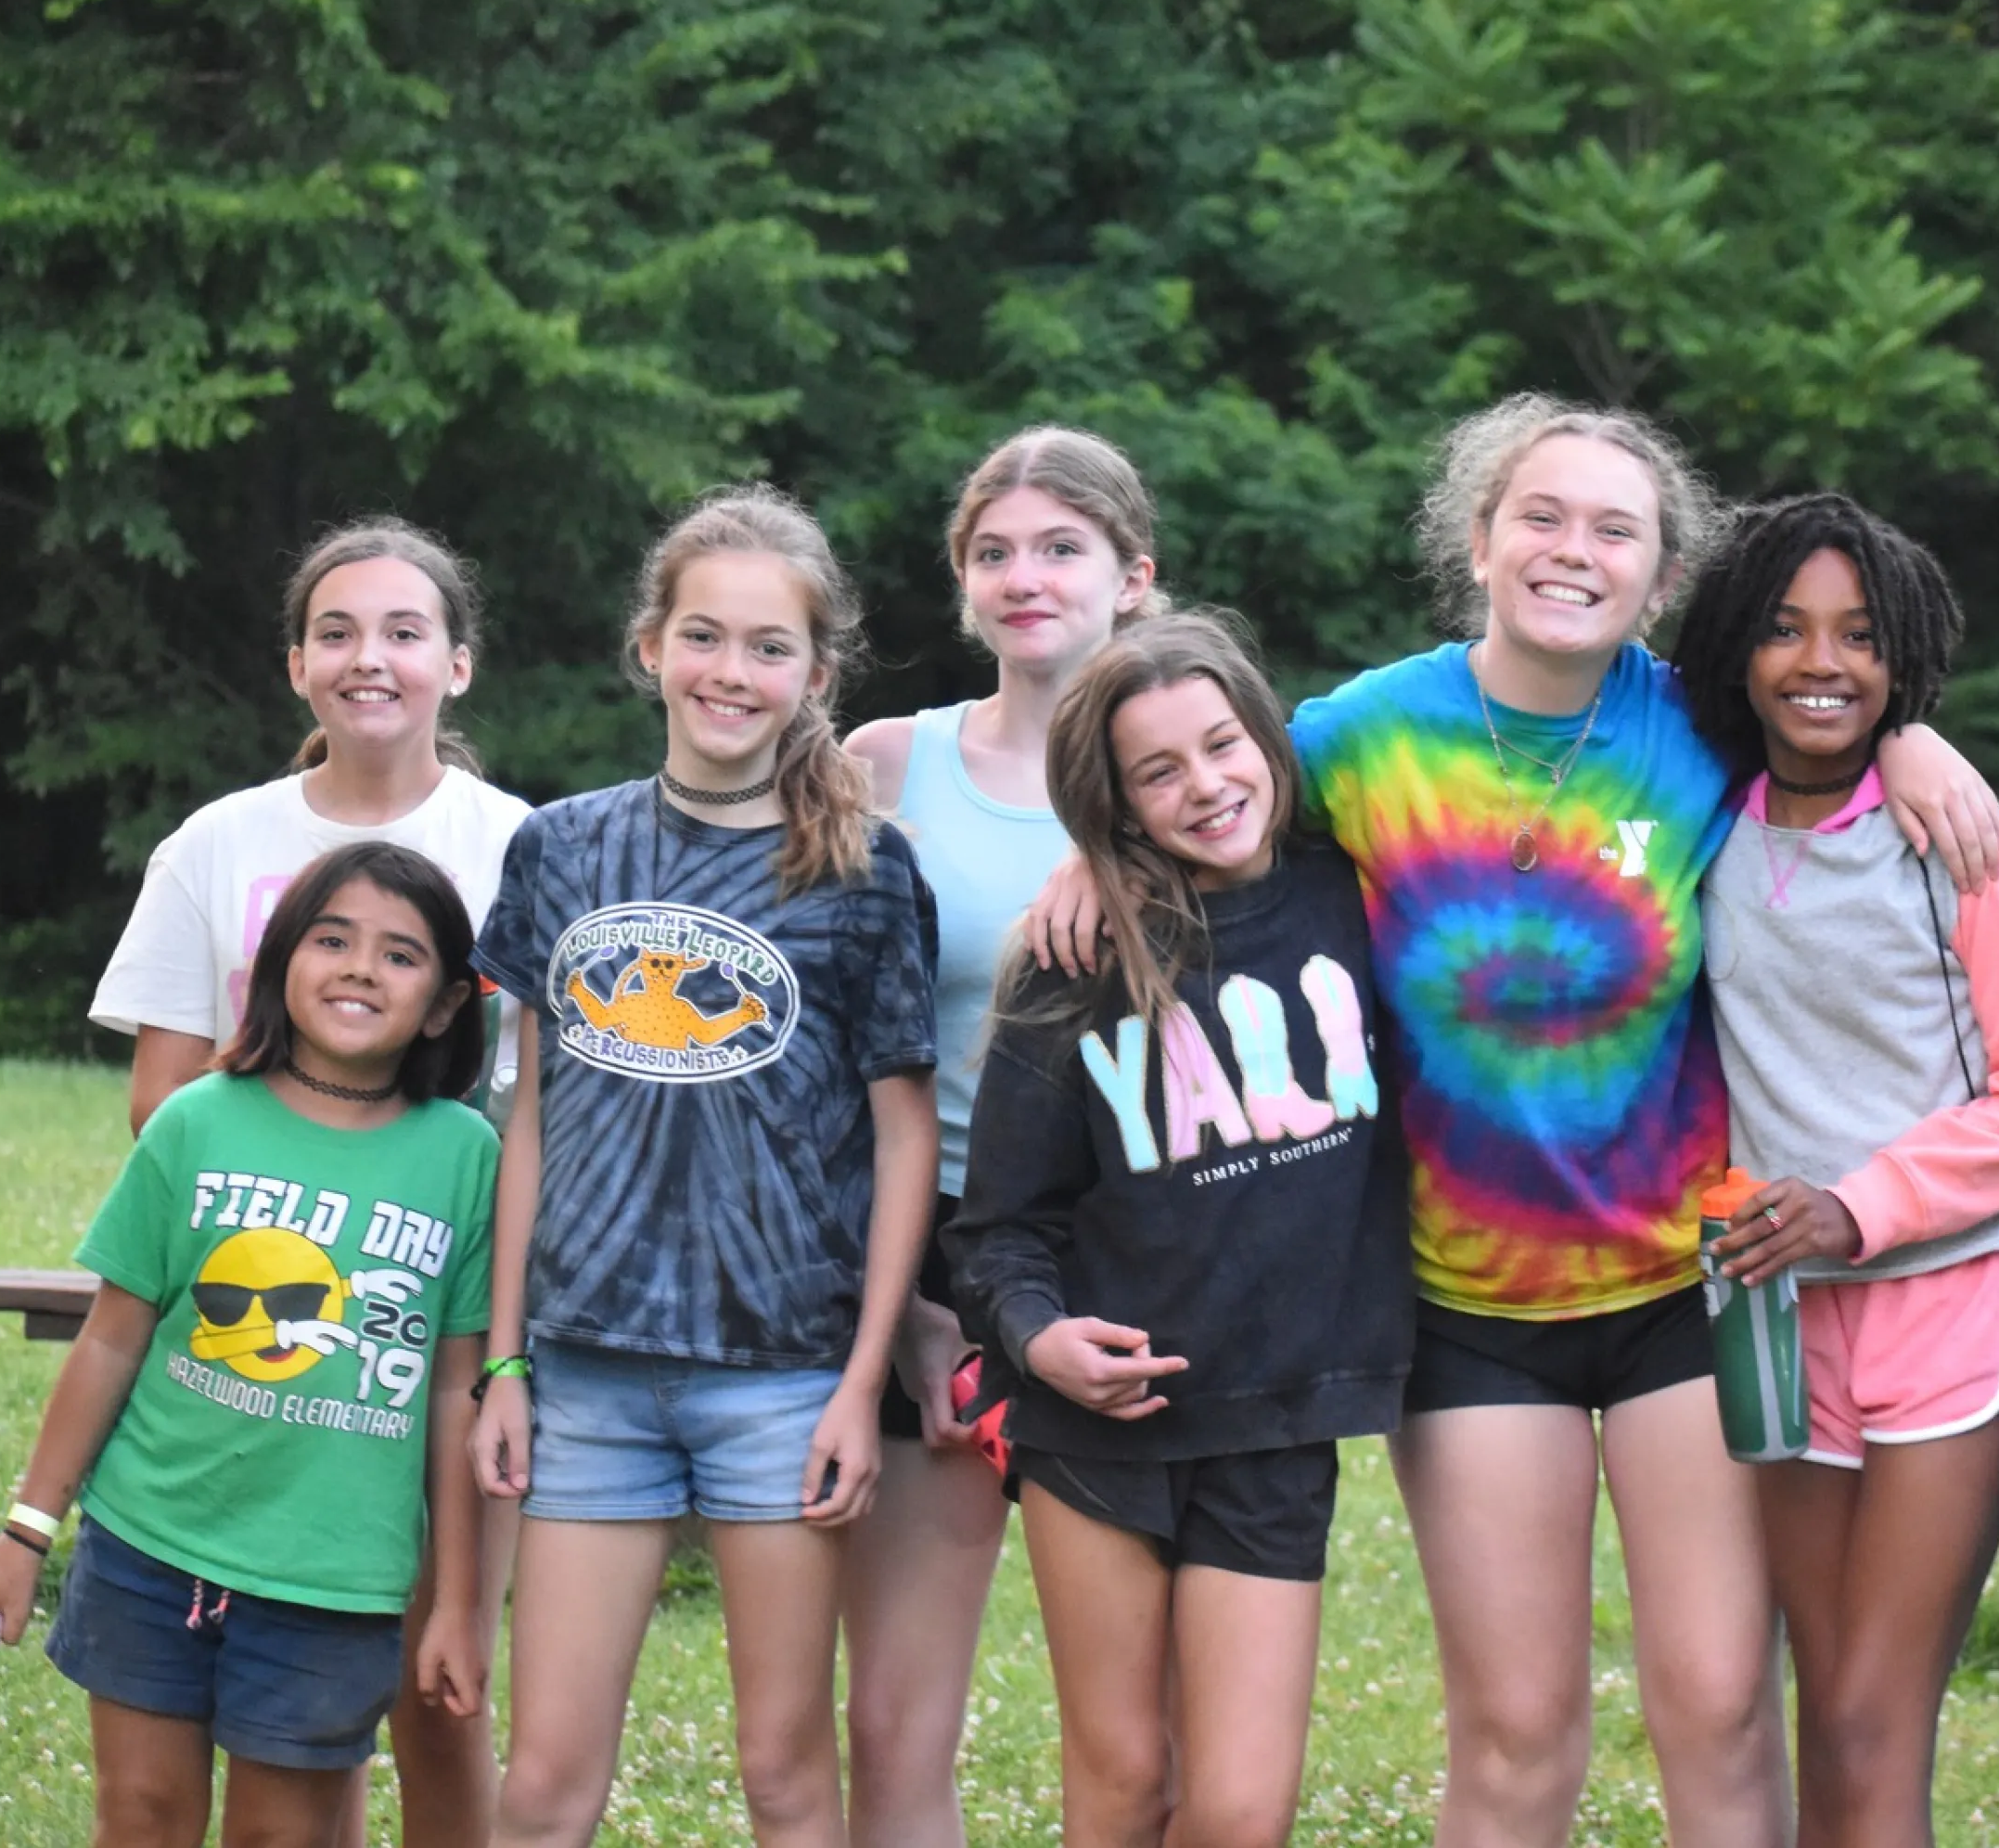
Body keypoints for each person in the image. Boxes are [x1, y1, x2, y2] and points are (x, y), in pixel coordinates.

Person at [1027, 392, 1999, 1848]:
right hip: (1469, 1308)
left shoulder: (1701, 726)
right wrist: (1086, 852)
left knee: (1723, 1701)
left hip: (1693, 1286)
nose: (1573, 549)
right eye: (1539, 516)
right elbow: (1200, 794)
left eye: (1616, 528)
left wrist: (1918, 743)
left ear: (1662, 575)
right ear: (1478, 542)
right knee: (1515, 1728)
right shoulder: (1357, 738)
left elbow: (1841, 723)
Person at [464, 486, 940, 1848]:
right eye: (706, 637)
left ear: (818, 676)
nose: (734, 672)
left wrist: (861, 1383)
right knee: (545, 1782)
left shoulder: (860, 870)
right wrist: (505, 1361)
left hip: (781, 1378)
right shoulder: (561, 848)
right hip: (588, 1373)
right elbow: (528, 1113)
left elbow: (904, 1136)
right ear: (650, 647)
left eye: (770, 647)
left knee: (786, 1776)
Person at [85, 519, 528, 1842]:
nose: (369, 658)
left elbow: (559, 1096)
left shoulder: (528, 848)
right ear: (295, 664)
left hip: (449, 1326)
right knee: (258, 1703)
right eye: (337, 632)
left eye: (404, 632)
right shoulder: (216, 845)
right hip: (269, 1322)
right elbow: (161, 1099)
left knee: (436, 1683)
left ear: (458, 664)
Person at [948, 612, 1413, 1848]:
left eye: (1221, 745)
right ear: (1119, 806)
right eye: (1159, 771)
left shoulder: (1358, 897)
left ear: (1266, 735)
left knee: (1240, 1811)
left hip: (1275, 1422)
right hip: (1096, 1429)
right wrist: (1038, 1344)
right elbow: (997, 1228)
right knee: (1120, 1786)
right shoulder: (1079, 959)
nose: (1204, 784)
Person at [1673, 495, 1999, 1848]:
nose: (1823, 662)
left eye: (1860, 637)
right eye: (1787, 629)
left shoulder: (1962, 841)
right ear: (1737, 645)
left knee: (1870, 1712)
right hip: (1779, 1311)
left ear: (1902, 661)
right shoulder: (1702, 830)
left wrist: (1858, 1207)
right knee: (1822, 1709)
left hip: (1959, 1289)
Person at [0, 841, 499, 1848]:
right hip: (148, 1547)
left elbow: (458, 1394)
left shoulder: (466, 1158)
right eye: (333, 939)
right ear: (281, 960)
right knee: (142, 1817)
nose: (361, 967)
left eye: (401, 954)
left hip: (335, 1582)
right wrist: (25, 1533)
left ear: (450, 1004)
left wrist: (454, 1603)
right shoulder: (196, 1120)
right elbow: (110, 1343)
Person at [839, 426, 1163, 1842]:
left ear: (1133, 576)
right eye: (993, 553)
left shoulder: (1198, 767)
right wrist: (906, 1308)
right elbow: (820, 1054)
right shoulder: (882, 768)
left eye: (1060, 548)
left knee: (1146, 1737)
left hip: (1148, 1252)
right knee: (897, 1721)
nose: (1023, 578)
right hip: (934, 1259)